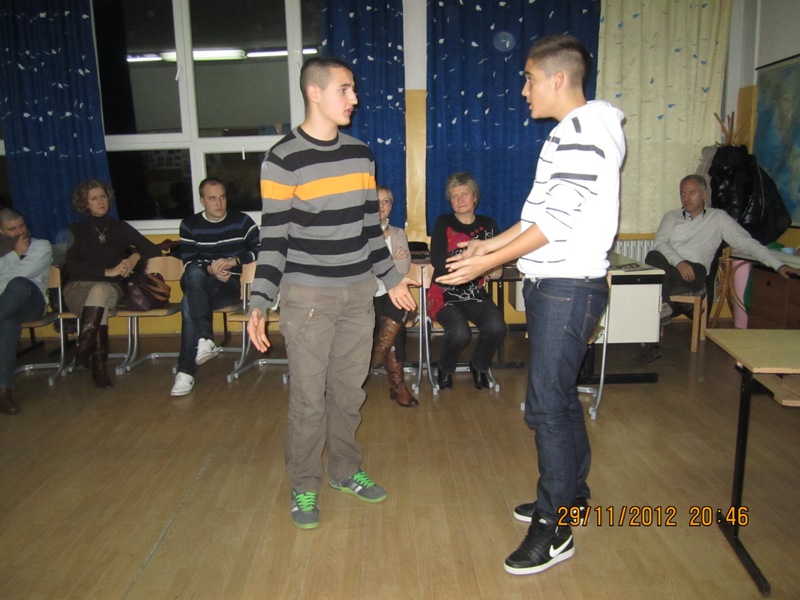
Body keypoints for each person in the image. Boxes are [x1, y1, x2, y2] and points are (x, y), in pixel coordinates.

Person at [438, 35, 625, 575]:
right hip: (556, 286)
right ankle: (572, 495)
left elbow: (556, 225)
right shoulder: (571, 133)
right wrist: (485, 247)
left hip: (568, 287)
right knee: (559, 399)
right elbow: (538, 215)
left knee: (545, 406)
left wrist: (484, 264)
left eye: (529, 78)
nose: (523, 90)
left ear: (557, 79)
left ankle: (554, 525)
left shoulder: (584, 133)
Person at [246, 56, 417, 530]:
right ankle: (304, 483)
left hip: (357, 295)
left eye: (353, 89)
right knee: (308, 398)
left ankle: (344, 471)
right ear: (314, 93)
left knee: (347, 392)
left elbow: (369, 230)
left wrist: (391, 278)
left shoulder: (361, 154)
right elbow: (273, 239)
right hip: (307, 298)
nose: (355, 99)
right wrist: (259, 301)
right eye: (345, 89)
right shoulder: (283, 159)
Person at [634, 173, 800, 363]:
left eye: (692, 193)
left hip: (695, 272)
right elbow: (660, 243)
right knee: (653, 257)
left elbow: (747, 243)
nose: (686, 198)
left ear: (704, 194)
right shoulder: (671, 217)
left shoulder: (718, 218)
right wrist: (679, 262)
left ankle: (659, 316)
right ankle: (662, 314)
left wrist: (778, 265)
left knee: (651, 286)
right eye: (683, 193)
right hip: (672, 270)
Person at [65, 179, 161, 388]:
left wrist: (135, 256)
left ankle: (83, 347)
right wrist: (107, 272)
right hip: (78, 288)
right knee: (98, 297)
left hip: (111, 289)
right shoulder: (76, 229)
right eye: (94, 198)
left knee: (101, 290)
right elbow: (71, 266)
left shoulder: (120, 228)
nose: (101, 201)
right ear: (85, 203)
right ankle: (98, 364)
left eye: (103, 196)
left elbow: (153, 248)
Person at [170, 178, 259, 396]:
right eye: (212, 198)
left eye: (222, 197)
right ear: (202, 201)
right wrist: (211, 270)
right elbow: (189, 262)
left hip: (228, 286)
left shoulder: (242, 221)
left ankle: (187, 369)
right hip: (199, 280)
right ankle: (204, 340)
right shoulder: (189, 224)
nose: (219, 203)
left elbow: (261, 249)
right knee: (194, 273)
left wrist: (233, 261)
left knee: (189, 302)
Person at [428, 172, 506, 390]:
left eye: (464, 194)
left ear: (475, 197)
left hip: (474, 293)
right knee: (460, 332)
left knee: (497, 327)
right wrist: (476, 265)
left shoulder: (489, 224)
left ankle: (479, 366)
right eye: (454, 196)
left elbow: (497, 261)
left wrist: (495, 268)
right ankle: (445, 368)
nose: (460, 200)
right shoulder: (444, 222)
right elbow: (438, 260)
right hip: (443, 292)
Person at [0, 209, 52, 415]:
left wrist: (11, 260)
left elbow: (23, 273)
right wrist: (15, 254)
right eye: (12, 229)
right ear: (1, 232)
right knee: (7, 324)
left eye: (22, 225)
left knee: (19, 284)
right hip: (5, 309)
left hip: (32, 303)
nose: (20, 232)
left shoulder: (41, 246)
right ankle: (4, 392)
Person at [370, 185, 418, 407]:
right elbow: (363, 269)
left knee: (399, 308)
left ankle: (376, 358)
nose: (381, 206)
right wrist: (391, 260)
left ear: (391, 206)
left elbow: (404, 265)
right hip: (366, 293)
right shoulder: (361, 233)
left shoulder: (398, 233)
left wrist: (384, 264)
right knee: (396, 325)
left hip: (393, 291)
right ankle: (398, 386)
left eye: (386, 201)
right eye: (376, 201)